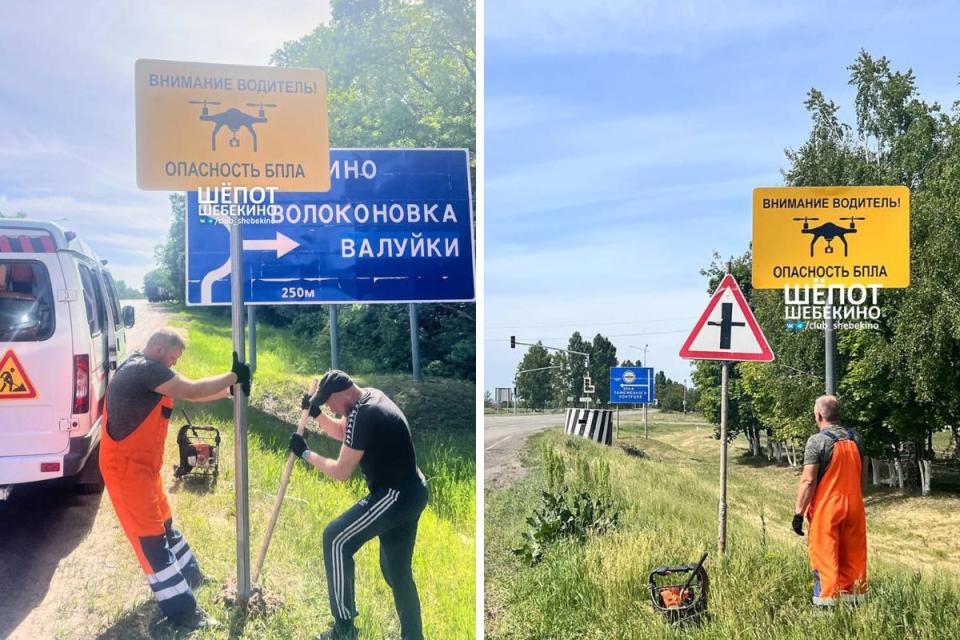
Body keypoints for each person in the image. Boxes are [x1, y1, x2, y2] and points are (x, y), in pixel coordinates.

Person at [100, 328, 251, 629]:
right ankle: (184, 613)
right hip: (126, 470)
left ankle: (191, 576)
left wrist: (227, 391)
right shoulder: (144, 370)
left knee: (165, 525)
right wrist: (233, 376)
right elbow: (192, 389)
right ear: (157, 348)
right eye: (172, 358)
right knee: (151, 540)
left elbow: (191, 395)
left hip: (145, 469)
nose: (173, 365)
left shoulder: (151, 372)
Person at [288, 370, 429, 640]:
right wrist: (316, 414)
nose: (329, 406)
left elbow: (341, 472)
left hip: (395, 495)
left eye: (329, 402)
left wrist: (306, 453)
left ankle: (344, 629)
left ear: (343, 393)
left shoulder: (366, 414)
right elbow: (344, 432)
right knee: (396, 572)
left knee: (335, 538)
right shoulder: (370, 399)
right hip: (412, 491)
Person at [792, 395, 870, 609]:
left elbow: (808, 481)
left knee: (825, 560)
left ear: (818, 415)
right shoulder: (857, 439)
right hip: (855, 507)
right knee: (854, 559)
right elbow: (863, 477)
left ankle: (825, 612)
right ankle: (854, 609)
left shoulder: (817, 441)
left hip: (828, 510)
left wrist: (799, 513)